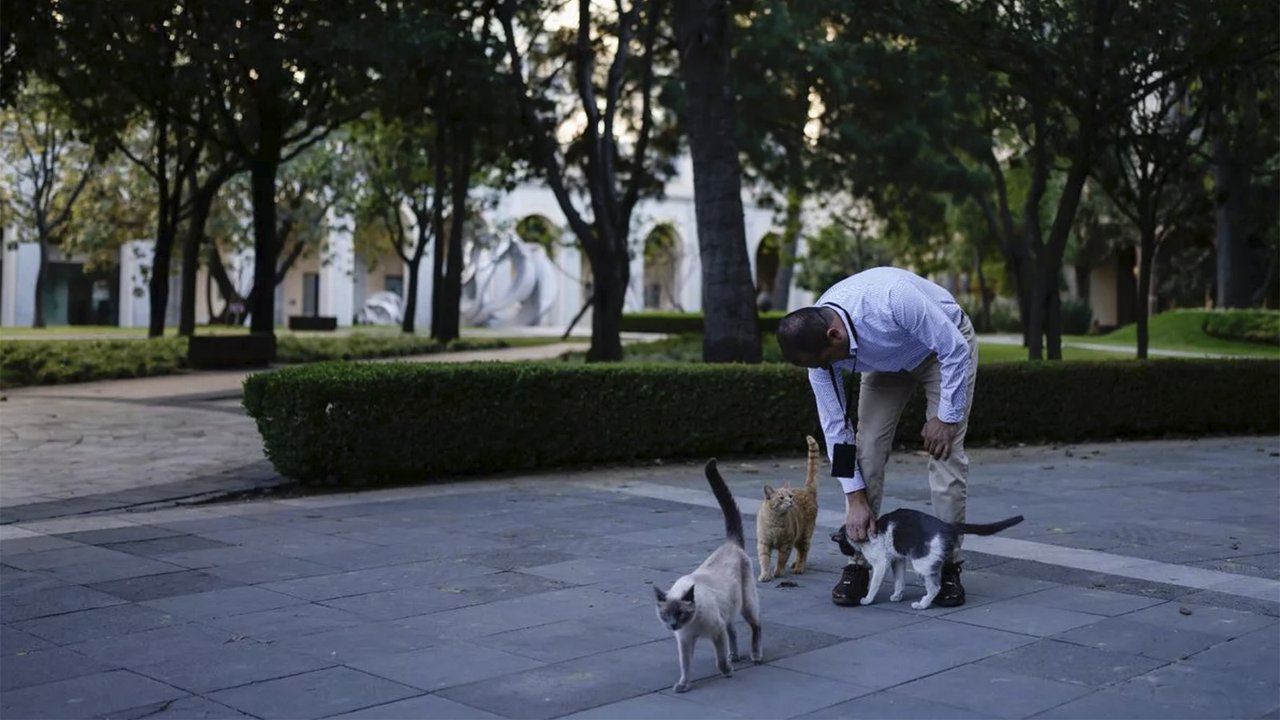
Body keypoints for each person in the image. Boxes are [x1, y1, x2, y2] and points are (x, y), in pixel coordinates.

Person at [775, 266, 978, 607]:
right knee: (866, 450)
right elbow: (836, 429)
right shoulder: (819, 356)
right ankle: (860, 560)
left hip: (942, 351)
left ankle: (948, 567)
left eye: (825, 363)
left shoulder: (893, 299)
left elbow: (955, 350)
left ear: (834, 336)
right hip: (884, 362)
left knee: (946, 455)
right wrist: (854, 498)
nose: (823, 371)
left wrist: (946, 417)